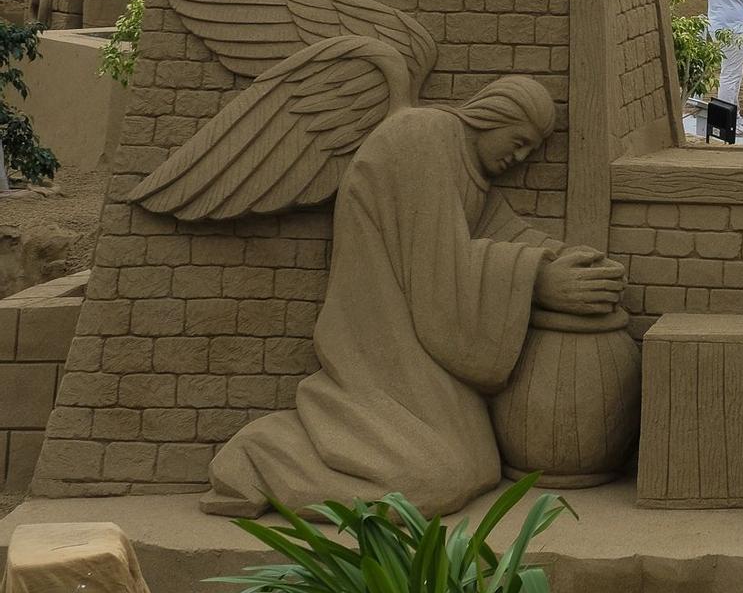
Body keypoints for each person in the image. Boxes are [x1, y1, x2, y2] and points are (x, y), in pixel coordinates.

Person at [201, 78, 627, 517]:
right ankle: (257, 458)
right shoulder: (422, 137)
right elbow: (438, 265)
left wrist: (565, 259)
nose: (518, 158)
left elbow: (495, 231)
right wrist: (538, 281)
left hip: (412, 334)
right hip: (378, 334)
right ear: (492, 116)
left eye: (530, 152)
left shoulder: (463, 164)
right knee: (428, 483)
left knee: (476, 466)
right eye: (518, 142)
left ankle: (313, 441)